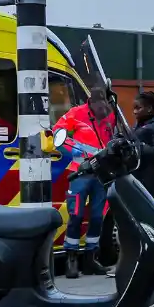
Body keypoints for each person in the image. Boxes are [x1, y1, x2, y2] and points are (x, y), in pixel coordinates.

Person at [53, 104, 108, 278]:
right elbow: (57, 134)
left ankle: (91, 259)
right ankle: (72, 259)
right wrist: (70, 152)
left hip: (102, 173)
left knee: (98, 216)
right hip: (80, 172)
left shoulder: (111, 114)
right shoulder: (76, 113)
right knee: (76, 215)